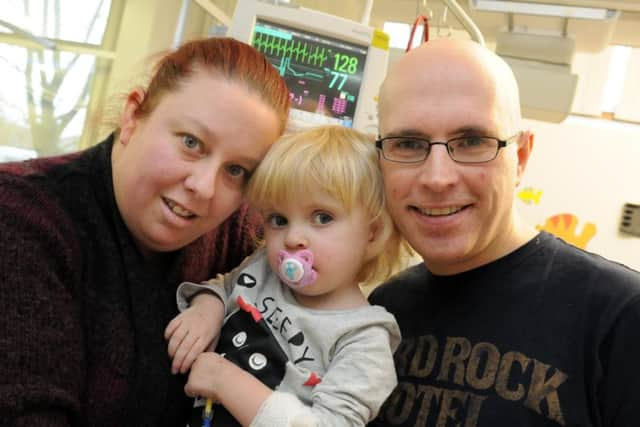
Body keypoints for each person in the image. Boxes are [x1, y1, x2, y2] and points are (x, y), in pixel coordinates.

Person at [0, 37, 290, 426]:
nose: (204, 187)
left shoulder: (234, 232)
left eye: (236, 171)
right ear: (133, 115)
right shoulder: (23, 217)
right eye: (191, 143)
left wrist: (214, 298)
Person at [368, 38, 640, 426]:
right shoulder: (384, 310)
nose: (438, 178)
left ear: (522, 158)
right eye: (409, 144)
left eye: (473, 141)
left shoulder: (619, 317)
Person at [164, 126, 407, 426]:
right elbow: (225, 286)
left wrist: (224, 381)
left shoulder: (364, 339)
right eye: (278, 220)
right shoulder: (264, 266)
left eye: (322, 217)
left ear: (372, 232)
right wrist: (207, 308)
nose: (292, 238)